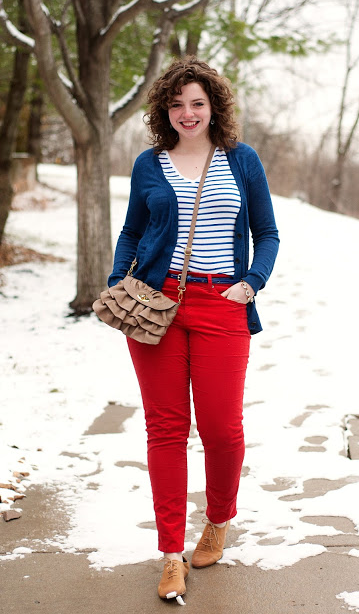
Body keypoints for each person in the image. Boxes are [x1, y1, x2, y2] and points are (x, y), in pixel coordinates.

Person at [108, 56, 280, 601]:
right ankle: (170, 554)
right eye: (177, 103)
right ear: (165, 109)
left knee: (222, 429)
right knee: (165, 430)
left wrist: (251, 281)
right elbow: (133, 231)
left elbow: (268, 232)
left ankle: (218, 520)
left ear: (214, 108)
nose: (187, 112)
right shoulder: (148, 164)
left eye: (197, 103)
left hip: (221, 306)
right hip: (157, 307)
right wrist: (120, 284)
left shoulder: (241, 161)